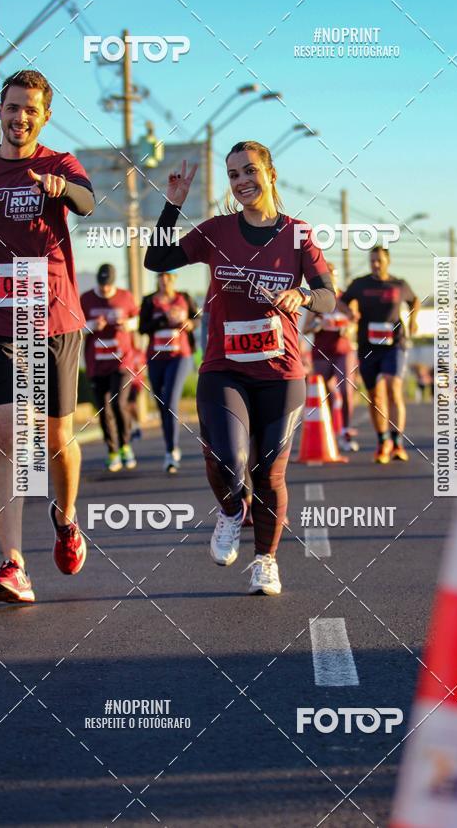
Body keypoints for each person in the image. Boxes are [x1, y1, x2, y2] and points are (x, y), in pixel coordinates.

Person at [145, 142, 335, 595]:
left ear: (270, 173)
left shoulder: (297, 234)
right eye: (233, 174)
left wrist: (303, 296)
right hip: (224, 368)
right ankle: (232, 511)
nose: (242, 180)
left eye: (249, 170)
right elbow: (157, 260)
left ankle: (265, 561)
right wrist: (172, 206)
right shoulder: (216, 230)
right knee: (229, 461)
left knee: (269, 472)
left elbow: (328, 295)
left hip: (281, 372)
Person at [0, 69, 94, 603]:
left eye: (31, 109)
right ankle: (13, 565)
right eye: (12, 107)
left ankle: (66, 517)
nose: (20, 116)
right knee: (4, 434)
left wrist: (61, 189)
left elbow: (86, 201)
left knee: (55, 442)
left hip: (52, 317)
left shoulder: (59, 164)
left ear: (44, 116)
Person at [341, 247, 419, 464]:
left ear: (388, 262)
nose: (375, 264)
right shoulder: (360, 284)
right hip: (368, 346)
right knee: (375, 396)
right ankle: (382, 442)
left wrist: (413, 319)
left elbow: (415, 300)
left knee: (393, 387)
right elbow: (341, 300)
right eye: (372, 260)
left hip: (394, 344)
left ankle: (397, 442)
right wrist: (349, 312)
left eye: (379, 261)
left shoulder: (399, 285)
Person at [80, 264, 139, 472]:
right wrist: (91, 326)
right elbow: (76, 326)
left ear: (114, 283)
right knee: (104, 409)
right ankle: (112, 450)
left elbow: (136, 320)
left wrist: (128, 325)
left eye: (108, 285)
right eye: (102, 284)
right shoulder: (86, 299)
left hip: (121, 361)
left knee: (118, 403)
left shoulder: (125, 297)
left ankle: (126, 446)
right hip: (97, 363)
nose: (105, 289)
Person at [140, 271, 197, 473]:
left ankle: (171, 453)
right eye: (161, 277)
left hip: (180, 357)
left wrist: (189, 324)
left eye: (169, 277)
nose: (165, 280)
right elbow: (142, 328)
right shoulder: (149, 301)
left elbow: (196, 318)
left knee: (170, 400)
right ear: (158, 279)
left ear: (174, 279)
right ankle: (169, 446)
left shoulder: (184, 298)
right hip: (156, 358)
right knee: (161, 403)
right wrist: (163, 318)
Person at [303, 262, 359, 452]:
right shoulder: (318, 298)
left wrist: (348, 327)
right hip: (321, 351)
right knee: (324, 393)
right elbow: (305, 328)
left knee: (346, 389)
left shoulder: (346, 298)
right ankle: (326, 431)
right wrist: (316, 326)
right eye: (327, 274)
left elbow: (355, 322)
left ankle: (345, 432)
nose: (331, 277)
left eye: (333, 274)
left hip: (343, 349)